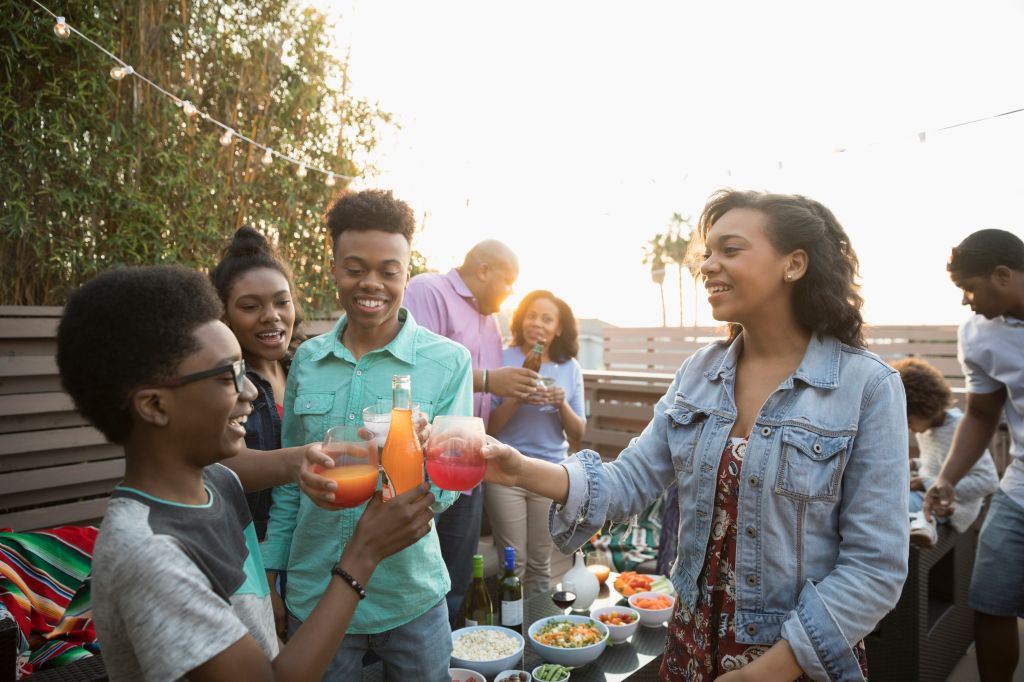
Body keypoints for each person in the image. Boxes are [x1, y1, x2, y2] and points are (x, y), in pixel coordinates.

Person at [483, 189, 909, 681]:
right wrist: (515, 467)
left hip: (797, 661)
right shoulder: (699, 372)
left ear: (794, 264)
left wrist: (766, 672)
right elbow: (630, 479)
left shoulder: (868, 386)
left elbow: (874, 569)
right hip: (689, 642)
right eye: (707, 253)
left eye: (730, 250)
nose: (707, 265)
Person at [57, 266, 435, 681]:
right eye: (227, 377)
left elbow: (279, 463)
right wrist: (362, 556)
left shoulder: (216, 482)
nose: (251, 392)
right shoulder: (150, 555)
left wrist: (335, 455)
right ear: (154, 406)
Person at [261, 189, 474, 681]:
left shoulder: (448, 362)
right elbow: (292, 481)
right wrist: (273, 572)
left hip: (410, 594)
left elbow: (449, 487)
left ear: (407, 272)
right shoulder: (308, 361)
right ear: (334, 267)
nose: (371, 283)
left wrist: (421, 458)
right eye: (355, 268)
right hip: (315, 593)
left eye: (388, 270)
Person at [404, 239, 540, 626]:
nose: (511, 291)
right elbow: (416, 369)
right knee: (416, 574)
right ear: (483, 271)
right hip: (427, 465)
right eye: (508, 281)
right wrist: (487, 379)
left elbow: (487, 403)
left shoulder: (490, 322)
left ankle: (453, 656)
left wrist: (515, 391)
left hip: (470, 469)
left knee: (458, 576)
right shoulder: (428, 292)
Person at [923, 228, 1024, 682]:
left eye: (970, 288)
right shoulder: (978, 335)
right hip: (1019, 488)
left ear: (1002, 275)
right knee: (989, 601)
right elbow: (981, 414)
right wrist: (947, 478)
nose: (965, 300)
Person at [485, 290, 586, 596]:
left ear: (558, 328)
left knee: (541, 563)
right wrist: (517, 397)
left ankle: (537, 634)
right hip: (504, 470)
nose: (537, 323)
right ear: (520, 319)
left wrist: (561, 404)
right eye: (531, 315)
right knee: (512, 562)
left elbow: (579, 433)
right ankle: (511, 632)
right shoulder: (502, 357)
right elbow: (488, 425)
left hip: (549, 472)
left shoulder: (570, 368)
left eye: (546, 318)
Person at [210, 225, 306, 541]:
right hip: (250, 546)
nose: (271, 316)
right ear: (225, 317)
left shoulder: (303, 367)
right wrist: (309, 459)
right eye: (251, 307)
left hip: (307, 543)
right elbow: (225, 465)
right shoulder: (225, 380)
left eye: (282, 302)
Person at [891, 357, 998, 547]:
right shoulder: (928, 430)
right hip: (927, 496)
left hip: (954, 507)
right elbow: (937, 464)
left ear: (922, 407)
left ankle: (923, 527)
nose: (908, 428)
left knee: (892, 508)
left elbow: (988, 482)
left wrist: (928, 484)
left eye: (909, 421)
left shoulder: (959, 428)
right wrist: (916, 464)